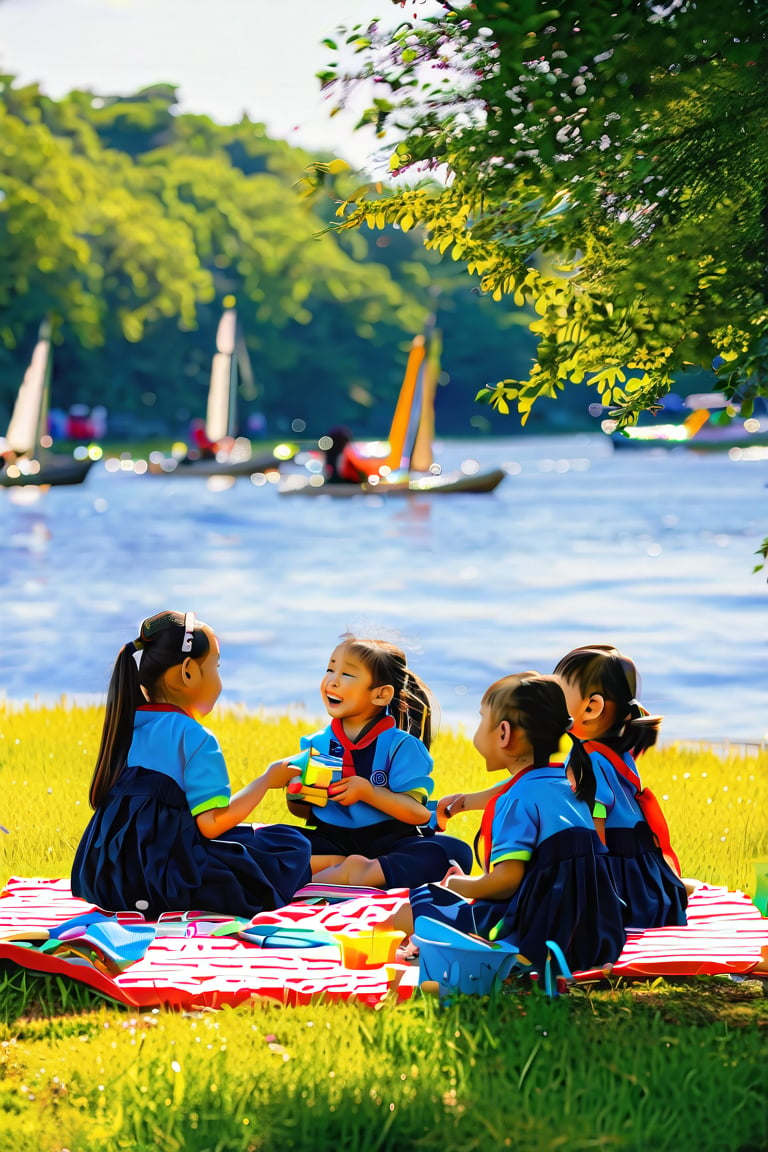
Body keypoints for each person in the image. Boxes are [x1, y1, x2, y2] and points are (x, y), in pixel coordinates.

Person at [72, 611, 311, 919]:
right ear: (187, 672)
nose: (219, 679)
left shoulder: (126, 724)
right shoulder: (194, 736)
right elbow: (211, 825)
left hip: (107, 879)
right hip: (164, 880)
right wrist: (265, 781)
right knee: (288, 844)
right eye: (216, 666)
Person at [396, 674, 627, 975]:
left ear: (503, 733)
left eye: (482, 720)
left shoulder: (516, 801)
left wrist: (458, 884)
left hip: (537, 936)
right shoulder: (569, 785)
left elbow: (507, 882)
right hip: (595, 936)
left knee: (415, 907)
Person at [275, 634, 474, 888]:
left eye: (347, 674)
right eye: (330, 669)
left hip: (390, 842)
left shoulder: (402, 746)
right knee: (272, 840)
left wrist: (368, 792)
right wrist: (298, 794)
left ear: (380, 695)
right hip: (330, 840)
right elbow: (304, 812)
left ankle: (347, 873)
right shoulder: (315, 743)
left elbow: (417, 813)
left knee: (452, 852)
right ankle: (347, 869)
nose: (332, 682)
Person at [553, 644, 689, 928]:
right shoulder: (616, 751)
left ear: (592, 707)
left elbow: (595, 824)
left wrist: (589, 879)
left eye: (557, 693)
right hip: (642, 861)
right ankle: (668, 887)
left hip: (616, 866)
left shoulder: (587, 760)